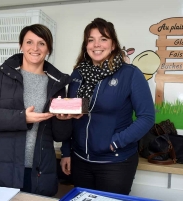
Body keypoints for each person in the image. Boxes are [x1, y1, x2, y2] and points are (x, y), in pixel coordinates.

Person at [0, 24, 73, 196]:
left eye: (41, 43)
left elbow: (59, 135)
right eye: (29, 42)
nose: (35, 48)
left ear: (48, 48)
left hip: (39, 170)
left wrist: (63, 119)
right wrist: (22, 118)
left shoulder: (57, 83)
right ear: (21, 46)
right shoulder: (0, 74)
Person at [60, 18, 155, 195]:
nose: (97, 44)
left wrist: (115, 142)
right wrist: (66, 151)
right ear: (86, 46)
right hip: (80, 159)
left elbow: (147, 117)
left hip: (115, 163)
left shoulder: (130, 74)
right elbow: (70, 115)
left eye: (103, 39)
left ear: (113, 45)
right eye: (91, 39)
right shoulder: (77, 75)